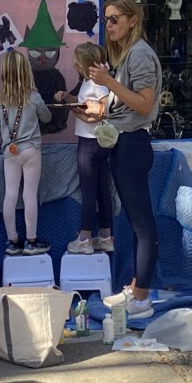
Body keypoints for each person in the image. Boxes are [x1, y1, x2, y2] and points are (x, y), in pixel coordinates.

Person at [90, 0, 163, 321]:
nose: (109, 25)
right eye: (106, 19)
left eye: (115, 18)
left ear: (133, 20)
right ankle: (136, 288)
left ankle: (143, 299)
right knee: (136, 225)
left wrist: (109, 82)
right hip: (125, 142)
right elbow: (127, 104)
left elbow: (145, 105)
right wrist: (100, 109)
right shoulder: (129, 55)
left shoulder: (141, 54)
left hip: (132, 144)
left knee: (143, 226)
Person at [0, 50, 51, 256]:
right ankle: (31, 242)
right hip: (31, 150)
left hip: (10, 151)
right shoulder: (33, 97)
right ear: (26, 72)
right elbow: (47, 117)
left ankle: (12, 241)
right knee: (30, 195)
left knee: (10, 194)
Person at [55, 42, 114, 255]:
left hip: (88, 143)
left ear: (84, 65)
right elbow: (92, 106)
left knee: (88, 192)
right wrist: (70, 98)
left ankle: (84, 238)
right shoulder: (98, 85)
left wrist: (73, 110)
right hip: (101, 144)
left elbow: (97, 114)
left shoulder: (94, 85)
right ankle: (106, 236)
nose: (73, 64)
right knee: (101, 191)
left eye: (77, 62)